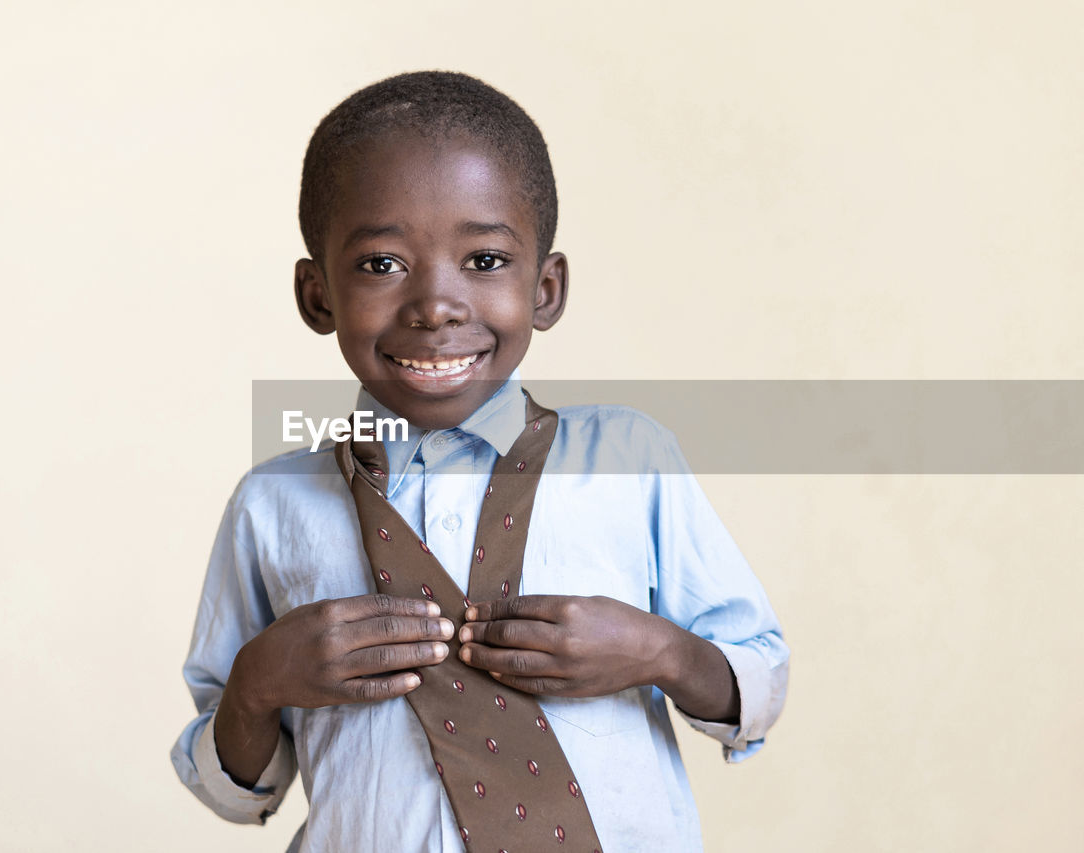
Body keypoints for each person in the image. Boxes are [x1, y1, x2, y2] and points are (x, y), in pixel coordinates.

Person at [171, 71, 789, 852]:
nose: (435, 304)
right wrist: (259, 681)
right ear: (317, 294)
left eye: (486, 260)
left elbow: (758, 680)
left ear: (547, 287)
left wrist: (658, 650)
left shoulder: (631, 458)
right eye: (381, 265)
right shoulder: (273, 504)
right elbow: (235, 791)